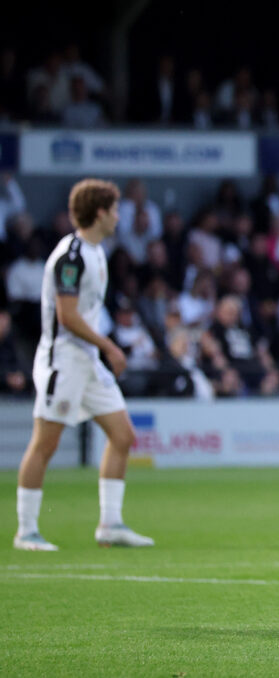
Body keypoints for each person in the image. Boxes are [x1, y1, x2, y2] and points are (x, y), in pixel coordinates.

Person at [14, 179, 153, 552]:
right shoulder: (71, 256)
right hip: (64, 360)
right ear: (101, 212)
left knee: (123, 436)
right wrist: (111, 347)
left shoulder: (96, 252)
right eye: (116, 209)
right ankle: (26, 531)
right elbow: (68, 315)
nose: (119, 216)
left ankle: (110, 524)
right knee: (45, 443)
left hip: (88, 360)